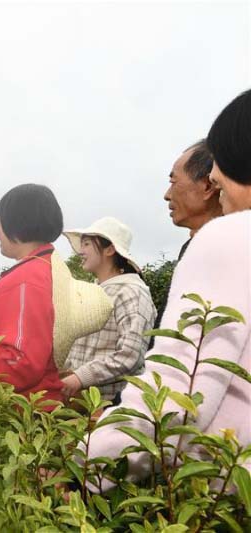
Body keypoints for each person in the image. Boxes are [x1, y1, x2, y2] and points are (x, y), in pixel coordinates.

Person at [83, 89, 251, 491]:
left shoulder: (230, 238)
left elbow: (182, 390)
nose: (215, 178)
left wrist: (86, 466)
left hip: (220, 491)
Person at [0, 184, 112, 407]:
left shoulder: (24, 280)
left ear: (15, 223)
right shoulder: (46, 266)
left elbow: (19, 361)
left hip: (19, 410)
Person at [60, 217, 157, 405]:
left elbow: (130, 355)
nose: (81, 251)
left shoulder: (131, 292)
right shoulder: (93, 291)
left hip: (108, 408)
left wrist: (80, 378)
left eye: (87, 244)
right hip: (77, 405)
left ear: (110, 249)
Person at [164, 139, 222, 260]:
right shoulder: (192, 248)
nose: (167, 195)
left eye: (173, 182)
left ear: (208, 186)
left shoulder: (236, 248)